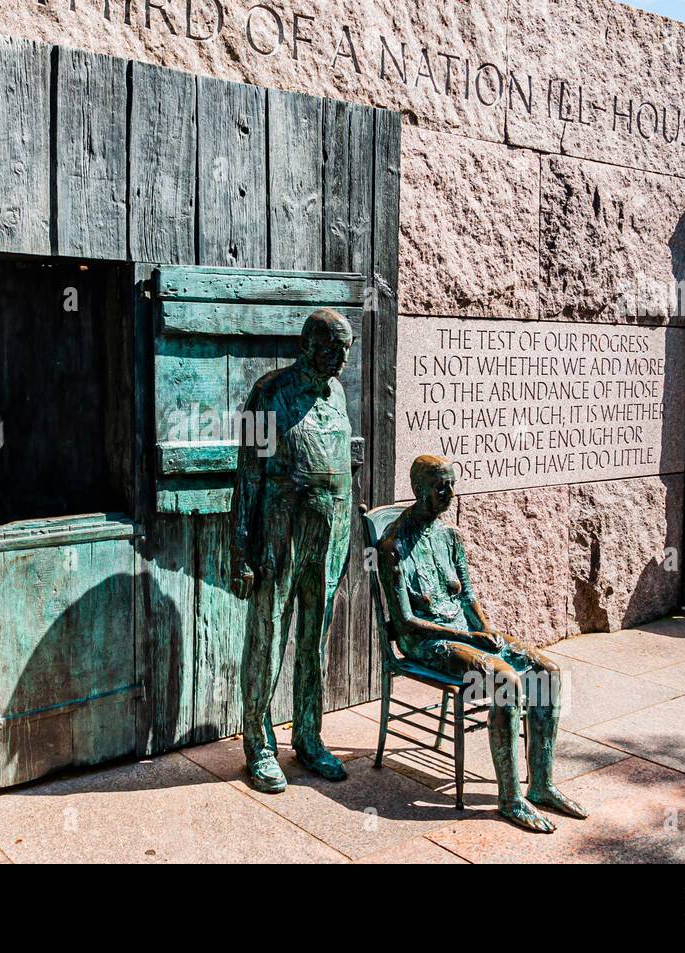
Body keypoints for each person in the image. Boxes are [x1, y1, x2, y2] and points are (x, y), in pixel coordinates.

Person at [377, 455, 588, 832]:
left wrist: (489, 634)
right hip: (426, 642)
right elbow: (407, 621)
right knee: (507, 682)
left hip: (465, 632)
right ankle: (511, 800)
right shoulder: (393, 545)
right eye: (441, 487)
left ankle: (541, 785)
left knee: (548, 673)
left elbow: (468, 597)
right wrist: (469, 638)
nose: (450, 494)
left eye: (453, 484)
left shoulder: (450, 536)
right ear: (419, 490)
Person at [230, 309, 355, 793]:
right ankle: (259, 745)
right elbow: (246, 474)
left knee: (313, 641)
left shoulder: (338, 394)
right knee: (268, 635)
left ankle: (309, 736)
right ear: (306, 345)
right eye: (331, 348)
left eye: (345, 350)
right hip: (281, 532)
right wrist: (241, 549)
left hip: (330, 531)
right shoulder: (268, 394)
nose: (340, 359)